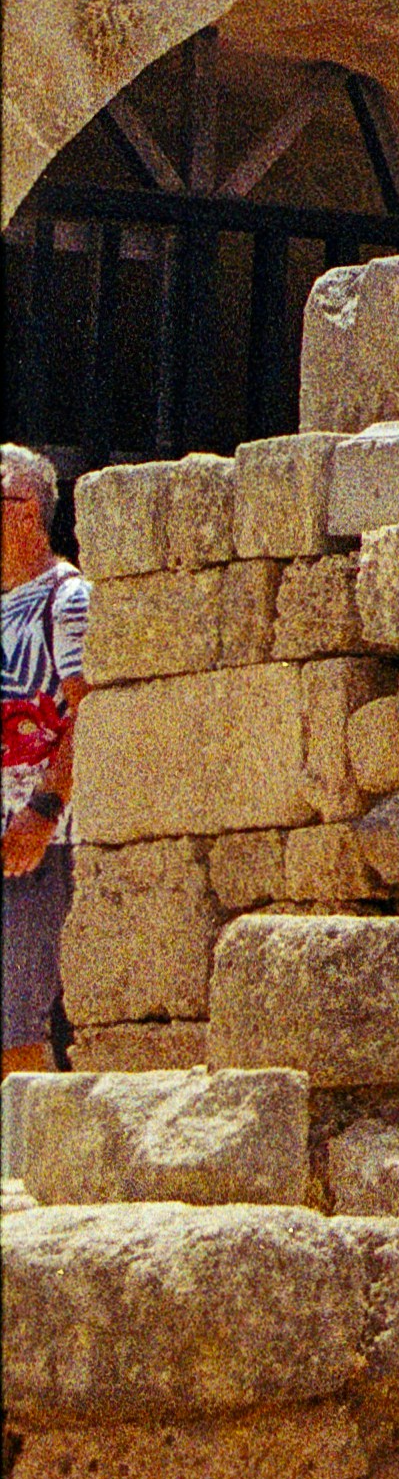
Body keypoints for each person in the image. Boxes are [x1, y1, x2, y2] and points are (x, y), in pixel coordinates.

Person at [3, 440, 89, 1068]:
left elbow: (91, 714)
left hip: (36, 842)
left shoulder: (68, 599)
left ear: (26, 509)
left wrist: (44, 808)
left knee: (16, 1020)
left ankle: (27, 1164)